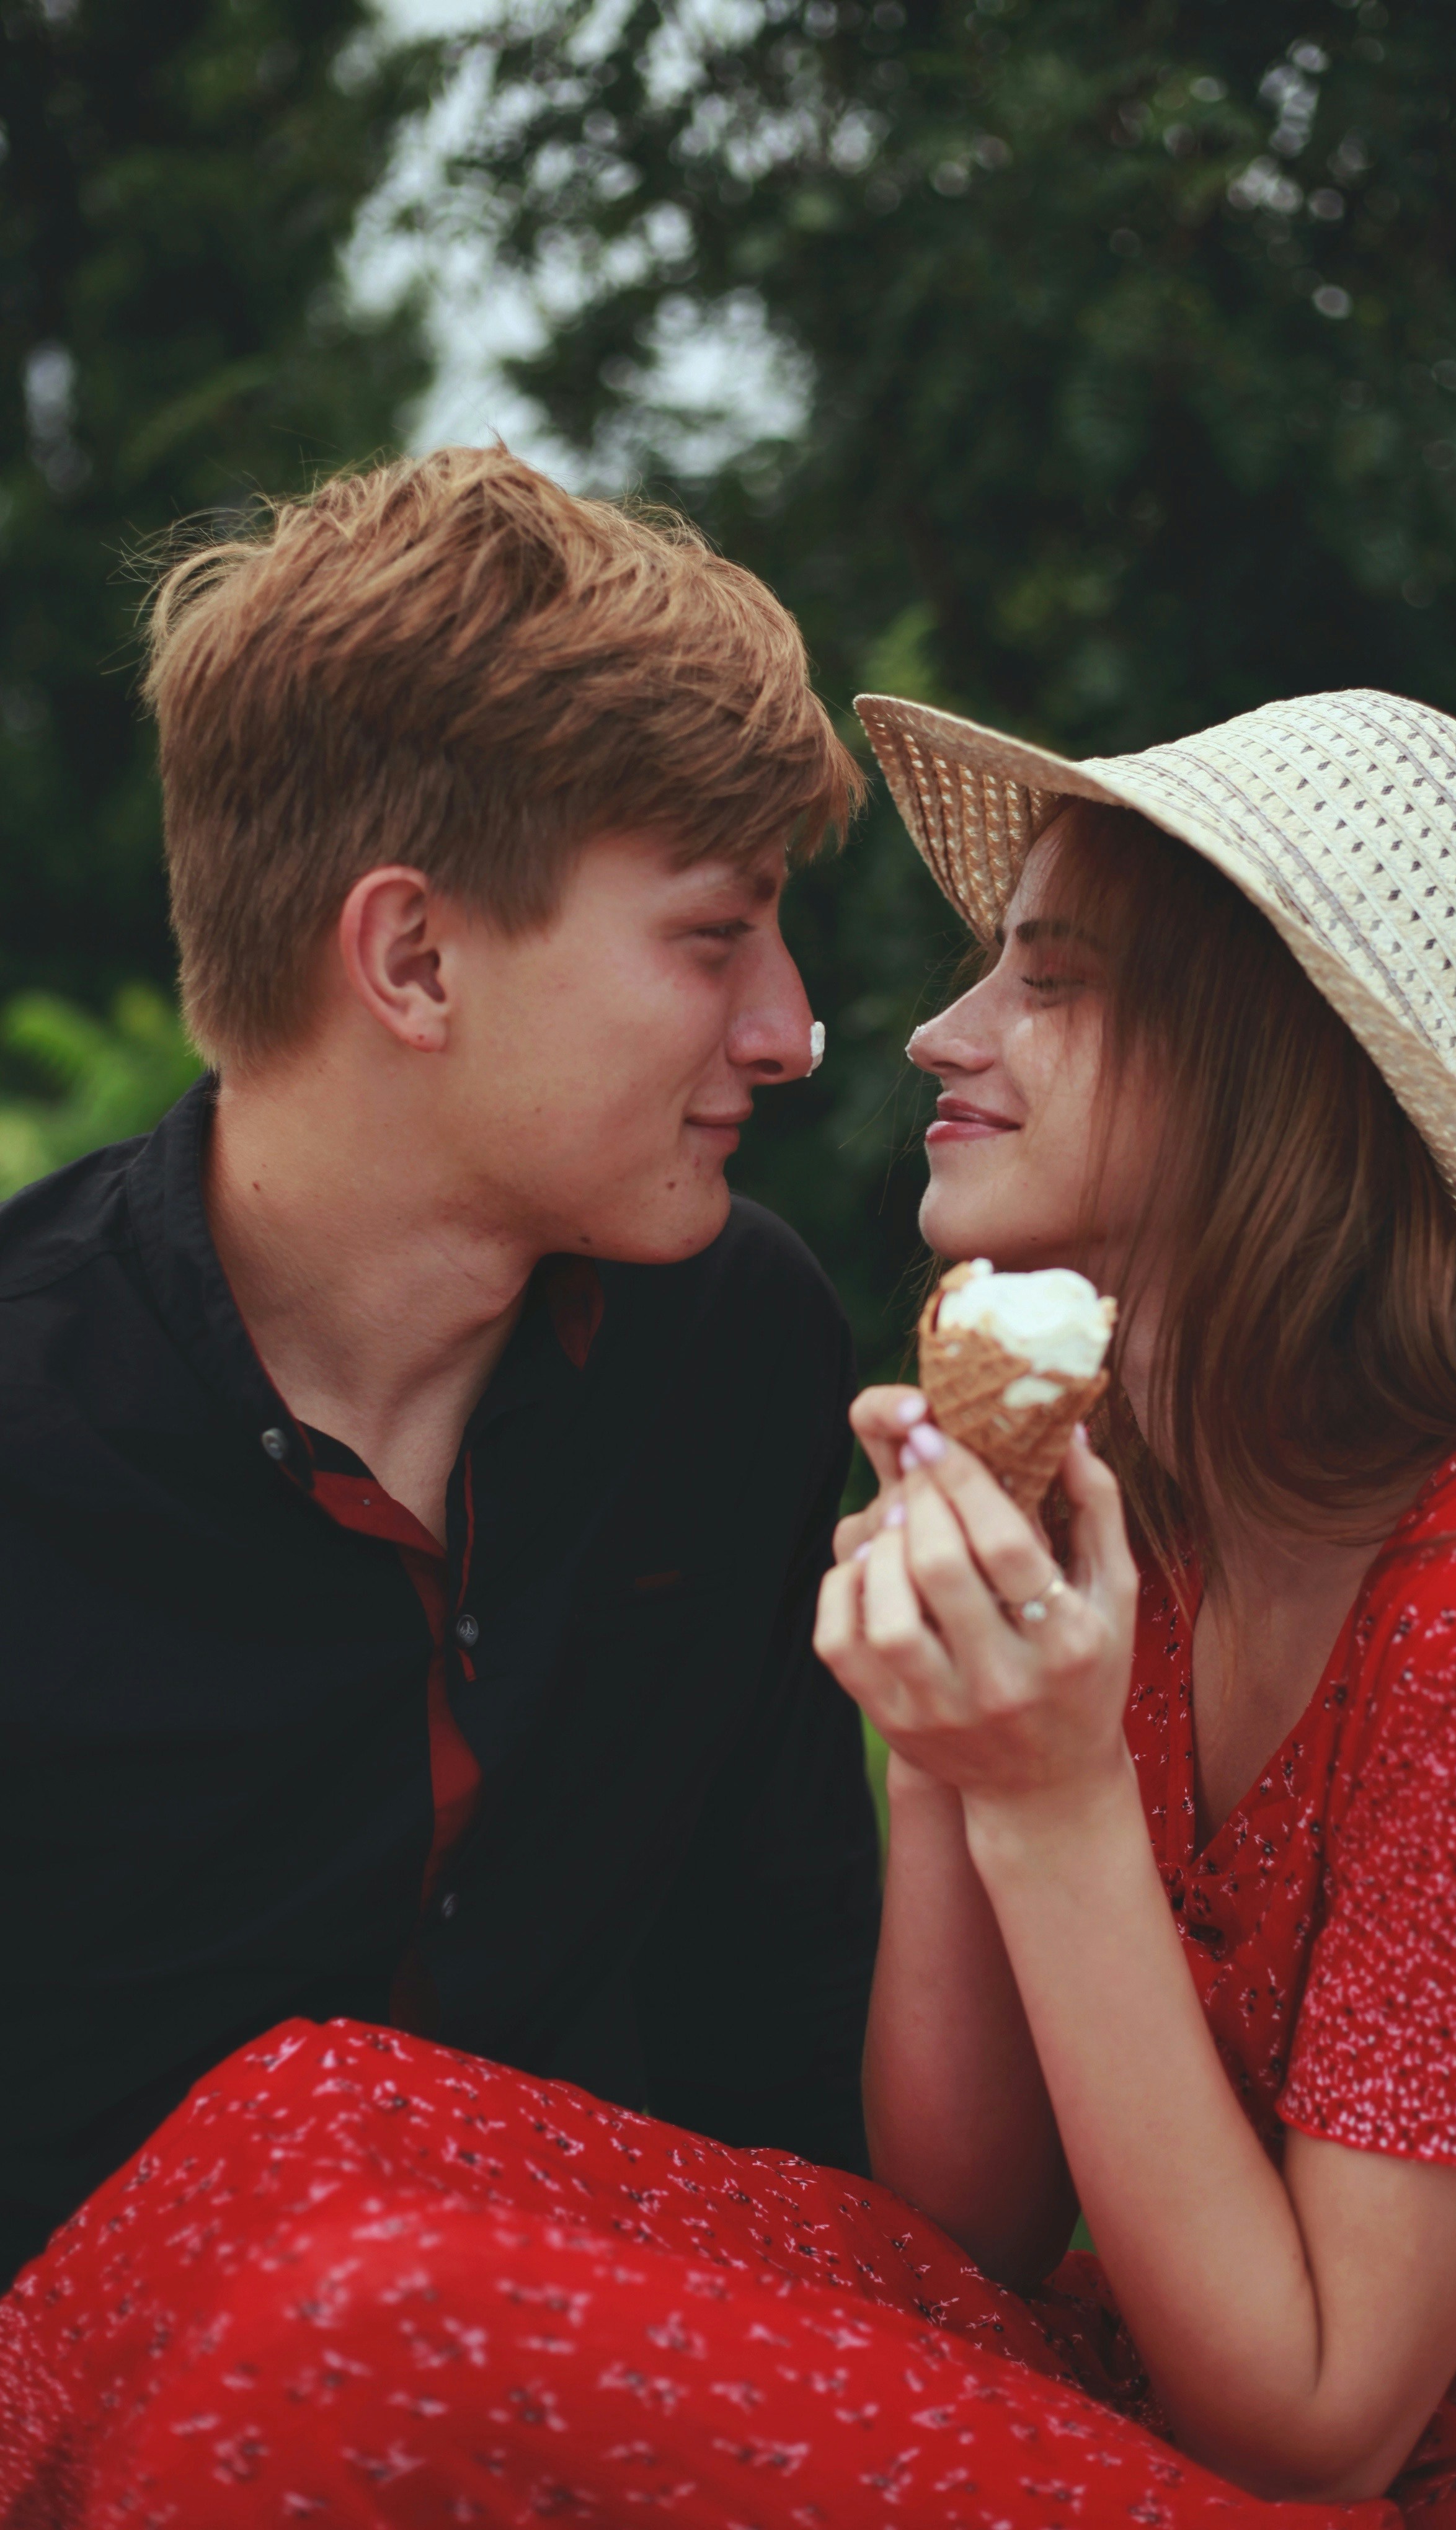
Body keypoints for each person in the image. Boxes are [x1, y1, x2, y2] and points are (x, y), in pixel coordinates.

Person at [5, 688, 1456, 2530]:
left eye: (1048, 982)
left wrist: (1047, 1798)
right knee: (306, 2112)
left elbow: (1314, 2425)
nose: (933, 1033)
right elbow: (965, 2217)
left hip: (1421, 2497)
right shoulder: (1128, 1488)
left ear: (1261, 1060)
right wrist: (952, 1745)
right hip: (1101, 2381)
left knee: (390, 2324)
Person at [0, 448, 880, 2299]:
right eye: (716, 937)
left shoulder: (743, 1347)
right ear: (412, 957)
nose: (790, 1033)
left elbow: (782, 2040)